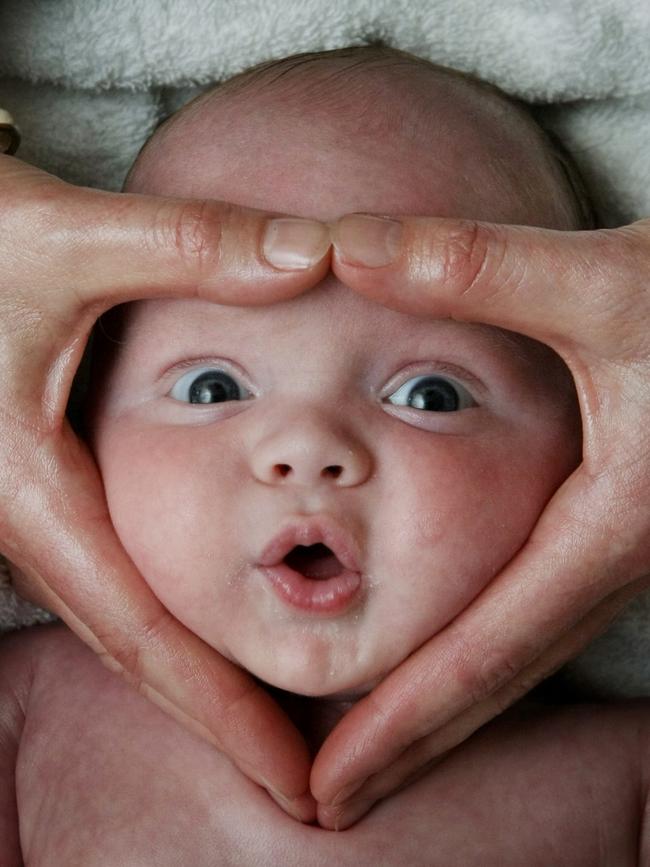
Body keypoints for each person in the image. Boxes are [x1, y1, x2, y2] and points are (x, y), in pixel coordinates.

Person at [2, 47, 650, 864]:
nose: (307, 449)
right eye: (211, 386)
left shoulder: (623, 772)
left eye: (431, 395)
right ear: (70, 418)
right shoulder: (27, 706)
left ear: (598, 450)